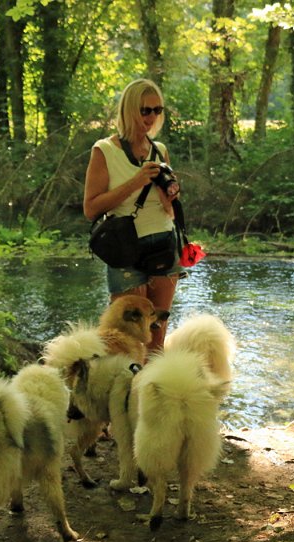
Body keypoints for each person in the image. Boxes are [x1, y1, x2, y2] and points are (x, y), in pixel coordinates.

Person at [83, 78, 185, 351]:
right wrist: (135, 182)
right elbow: (91, 208)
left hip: (164, 244)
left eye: (157, 110)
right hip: (124, 249)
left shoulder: (159, 150)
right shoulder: (104, 150)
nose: (151, 117)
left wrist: (171, 196)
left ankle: (153, 392)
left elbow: (168, 209)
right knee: (122, 341)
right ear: (128, 110)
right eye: (145, 110)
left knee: (157, 340)